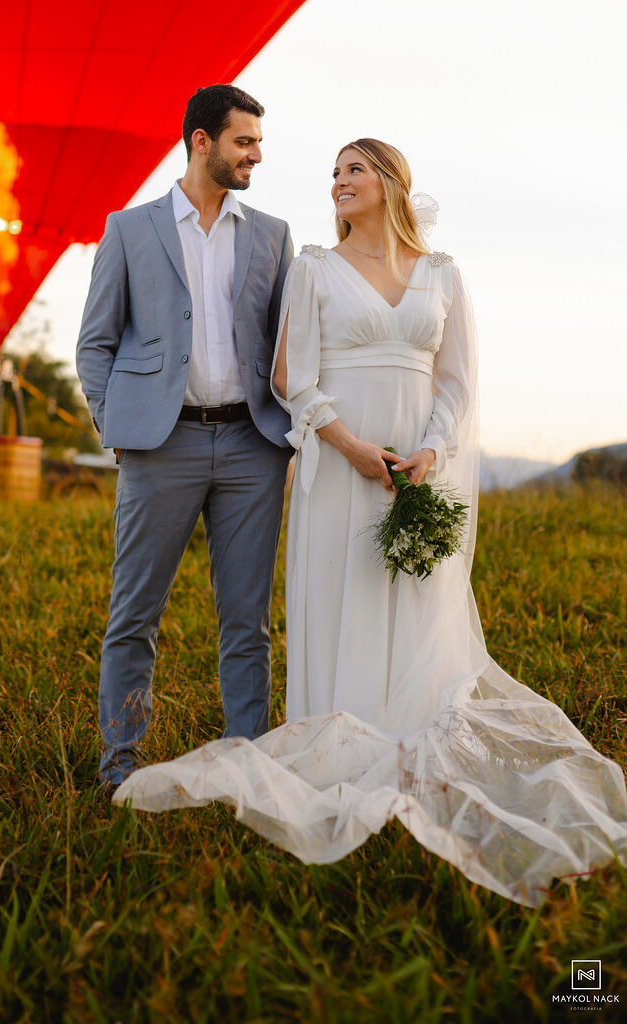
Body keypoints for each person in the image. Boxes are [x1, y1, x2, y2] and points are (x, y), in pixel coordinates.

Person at [113, 138, 627, 906]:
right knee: (346, 596)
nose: (339, 181)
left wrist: (431, 449)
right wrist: (349, 444)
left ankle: (416, 750)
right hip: (341, 465)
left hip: (417, 467)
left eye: (354, 169)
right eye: (334, 172)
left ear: (390, 181)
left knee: (416, 605)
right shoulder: (315, 267)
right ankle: (343, 748)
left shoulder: (443, 273)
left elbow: (456, 381)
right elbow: (290, 375)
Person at [76, 84, 293, 793]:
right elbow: (95, 342)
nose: (255, 155)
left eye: (257, 142)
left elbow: (287, 342)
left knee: (248, 622)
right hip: (158, 445)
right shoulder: (128, 229)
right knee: (134, 614)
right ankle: (120, 766)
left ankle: (248, 764)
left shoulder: (273, 235)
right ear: (202, 141)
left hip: (253, 447)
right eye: (244, 141)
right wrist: (115, 422)